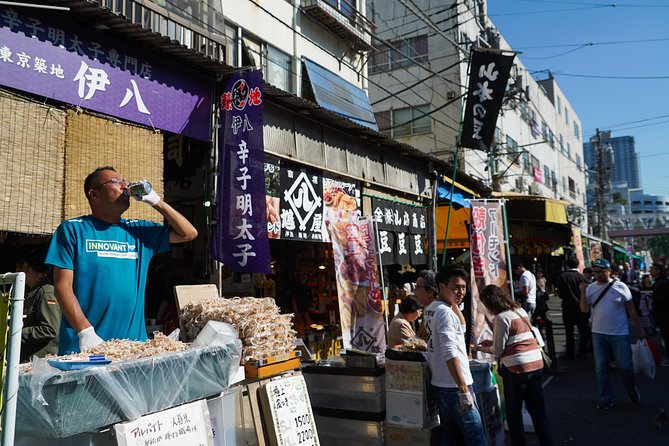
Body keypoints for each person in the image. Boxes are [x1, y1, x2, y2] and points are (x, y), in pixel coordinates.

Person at [46, 166, 198, 354]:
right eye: (115, 181)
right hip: (84, 347)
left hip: (131, 348)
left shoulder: (138, 231)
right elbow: (62, 287)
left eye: (124, 181)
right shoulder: (72, 230)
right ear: (94, 194)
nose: (124, 185)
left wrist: (156, 202)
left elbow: (189, 233)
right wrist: (85, 331)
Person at [472, 285, 553, 446]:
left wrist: (479, 347)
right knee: (538, 412)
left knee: (514, 413)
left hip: (517, 369)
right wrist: (492, 342)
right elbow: (515, 338)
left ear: (490, 303)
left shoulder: (501, 318)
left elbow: (498, 349)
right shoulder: (519, 311)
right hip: (535, 365)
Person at [424, 267, 487, 446]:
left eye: (464, 288)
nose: (461, 292)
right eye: (456, 288)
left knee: (450, 436)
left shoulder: (433, 308)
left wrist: (454, 304)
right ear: (441, 287)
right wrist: (463, 389)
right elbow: (449, 351)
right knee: (476, 436)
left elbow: (461, 327)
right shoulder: (444, 312)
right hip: (454, 386)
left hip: (440, 383)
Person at [579, 258, 645, 410]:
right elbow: (584, 309)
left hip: (619, 333)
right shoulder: (590, 288)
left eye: (602, 271)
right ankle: (606, 398)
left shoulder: (621, 286)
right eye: (596, 272)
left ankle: (631, 390)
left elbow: (631, 309)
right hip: (597, 333)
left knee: (626, 367)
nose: (599, 275)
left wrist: (638, 329)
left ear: (610, 271)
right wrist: (582, 292)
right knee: (601, 368)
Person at [16, 246, 61, 362]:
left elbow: (50, 329)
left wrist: (15, 332)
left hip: (40, 364)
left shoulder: (46, 292)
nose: (16, 272)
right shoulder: (32, 292)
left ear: (25, 267)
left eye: (17, 267)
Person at [556, 257, 589, 360]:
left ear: (567, 265)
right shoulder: (582, 277)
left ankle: (570, 353)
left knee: (569, 331)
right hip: (581, 306)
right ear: (578, 265)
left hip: (568, 306)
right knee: (583, 331)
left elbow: (560, 293)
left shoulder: (563, 276)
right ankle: (582, 352)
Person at [650, 260, 669, 366]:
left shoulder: (663, 283)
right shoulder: (659, 282)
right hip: (661, 315)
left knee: (667, 336)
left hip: (665, 315)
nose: (651, 271)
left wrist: (653, 303)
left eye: (652, 269)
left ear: (658, 271)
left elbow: (664, 300)